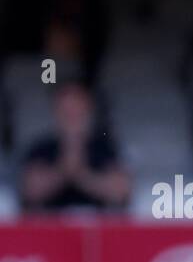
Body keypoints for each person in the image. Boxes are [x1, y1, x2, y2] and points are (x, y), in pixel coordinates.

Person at [20, 81, 130, 212]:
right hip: (51, 225)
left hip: (97, 225)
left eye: (77, 110)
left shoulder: (106, 146)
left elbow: (120, 192)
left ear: (89, 110)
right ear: (55, 111)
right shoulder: (40, 147)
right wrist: (64, 167)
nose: (72, 117)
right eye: (66, 111)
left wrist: (82, 175)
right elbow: (31, 192)